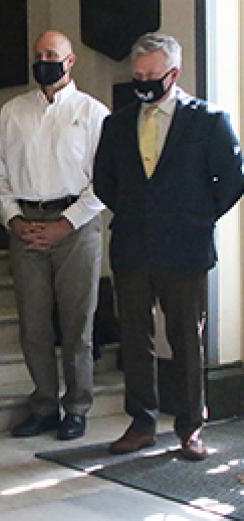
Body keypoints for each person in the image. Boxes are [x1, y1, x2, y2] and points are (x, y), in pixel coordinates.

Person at [94, 33, 243, 460]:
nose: (142, 82)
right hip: (132, 248)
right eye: (137, 75)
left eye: (151, 76)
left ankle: (190, 426)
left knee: (185, 340)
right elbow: (105, 181)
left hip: (185, 249)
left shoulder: (209, 121)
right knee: (136, 340)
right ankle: (141, 422)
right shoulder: (117, 124)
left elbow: (232, 181)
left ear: (173, 74)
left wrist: (196, 218)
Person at [0, 30, 108, 441]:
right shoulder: (11, 112)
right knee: (33, 324)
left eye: (52, 55)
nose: (44, 61)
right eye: (39, 54)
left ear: (70, 61)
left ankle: (77, 407)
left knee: (78, 324)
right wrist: (15, 221)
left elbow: (104, 183)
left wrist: (64, 224)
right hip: (26, 224)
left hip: (77, 225)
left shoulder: (94, 113)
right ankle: (43, 403)